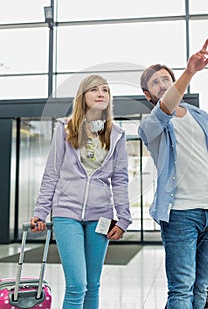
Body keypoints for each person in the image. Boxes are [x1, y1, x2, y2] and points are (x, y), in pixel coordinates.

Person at [138, 39, 208, 308]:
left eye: (165, 79)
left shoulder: (201, 116)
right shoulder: (151, 124)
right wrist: (189, 72)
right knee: (181, 290)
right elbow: (166, 107)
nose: (162, 84)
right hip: (180, 214)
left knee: (201, 289)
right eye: (154, 83)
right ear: (148, 95)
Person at [30, 74, 132, 309]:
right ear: (83, 97)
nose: (100, 94)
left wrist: (124, 219)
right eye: (94, 90)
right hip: (67, 213)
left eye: (105, 90)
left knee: (93, 285)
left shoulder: (116, 135)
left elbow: (120, 180)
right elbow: (52, 173)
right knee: (77, 284)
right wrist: (41, 211)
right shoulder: (65, 129)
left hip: (102, 216)